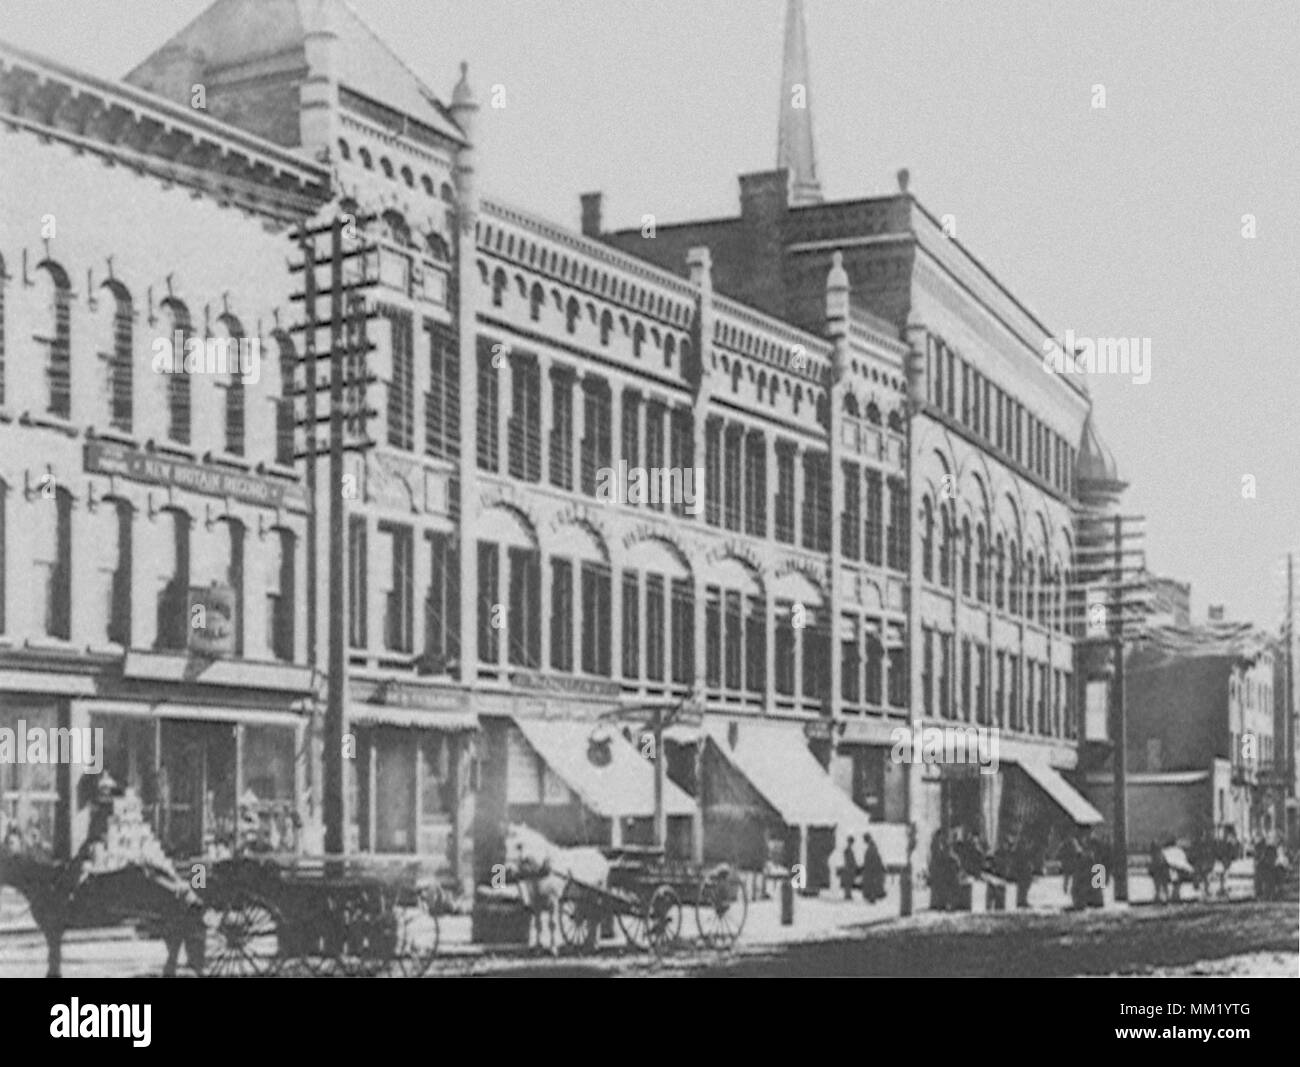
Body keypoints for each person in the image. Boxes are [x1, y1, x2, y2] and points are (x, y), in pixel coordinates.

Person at [860, 833, 887, 904]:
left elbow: (873, 859)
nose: (864, 841)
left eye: (865, 839)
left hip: (872, 869)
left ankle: (872, 897)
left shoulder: (872, 847)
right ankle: (872, 897)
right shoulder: (871, 847)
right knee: (871, 883)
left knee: (872, 884)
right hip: (871, 869)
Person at [840, 836, 858, 900]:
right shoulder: (847, 850)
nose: (851, 843)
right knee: (848, 882)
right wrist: (853, 865)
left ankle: (848, 894)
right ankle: (847, 895)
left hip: (850, 868)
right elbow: (849, 860)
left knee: (849, 882)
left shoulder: (849, 850)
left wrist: (855, 865)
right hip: (848, 868)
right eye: (851, 842)